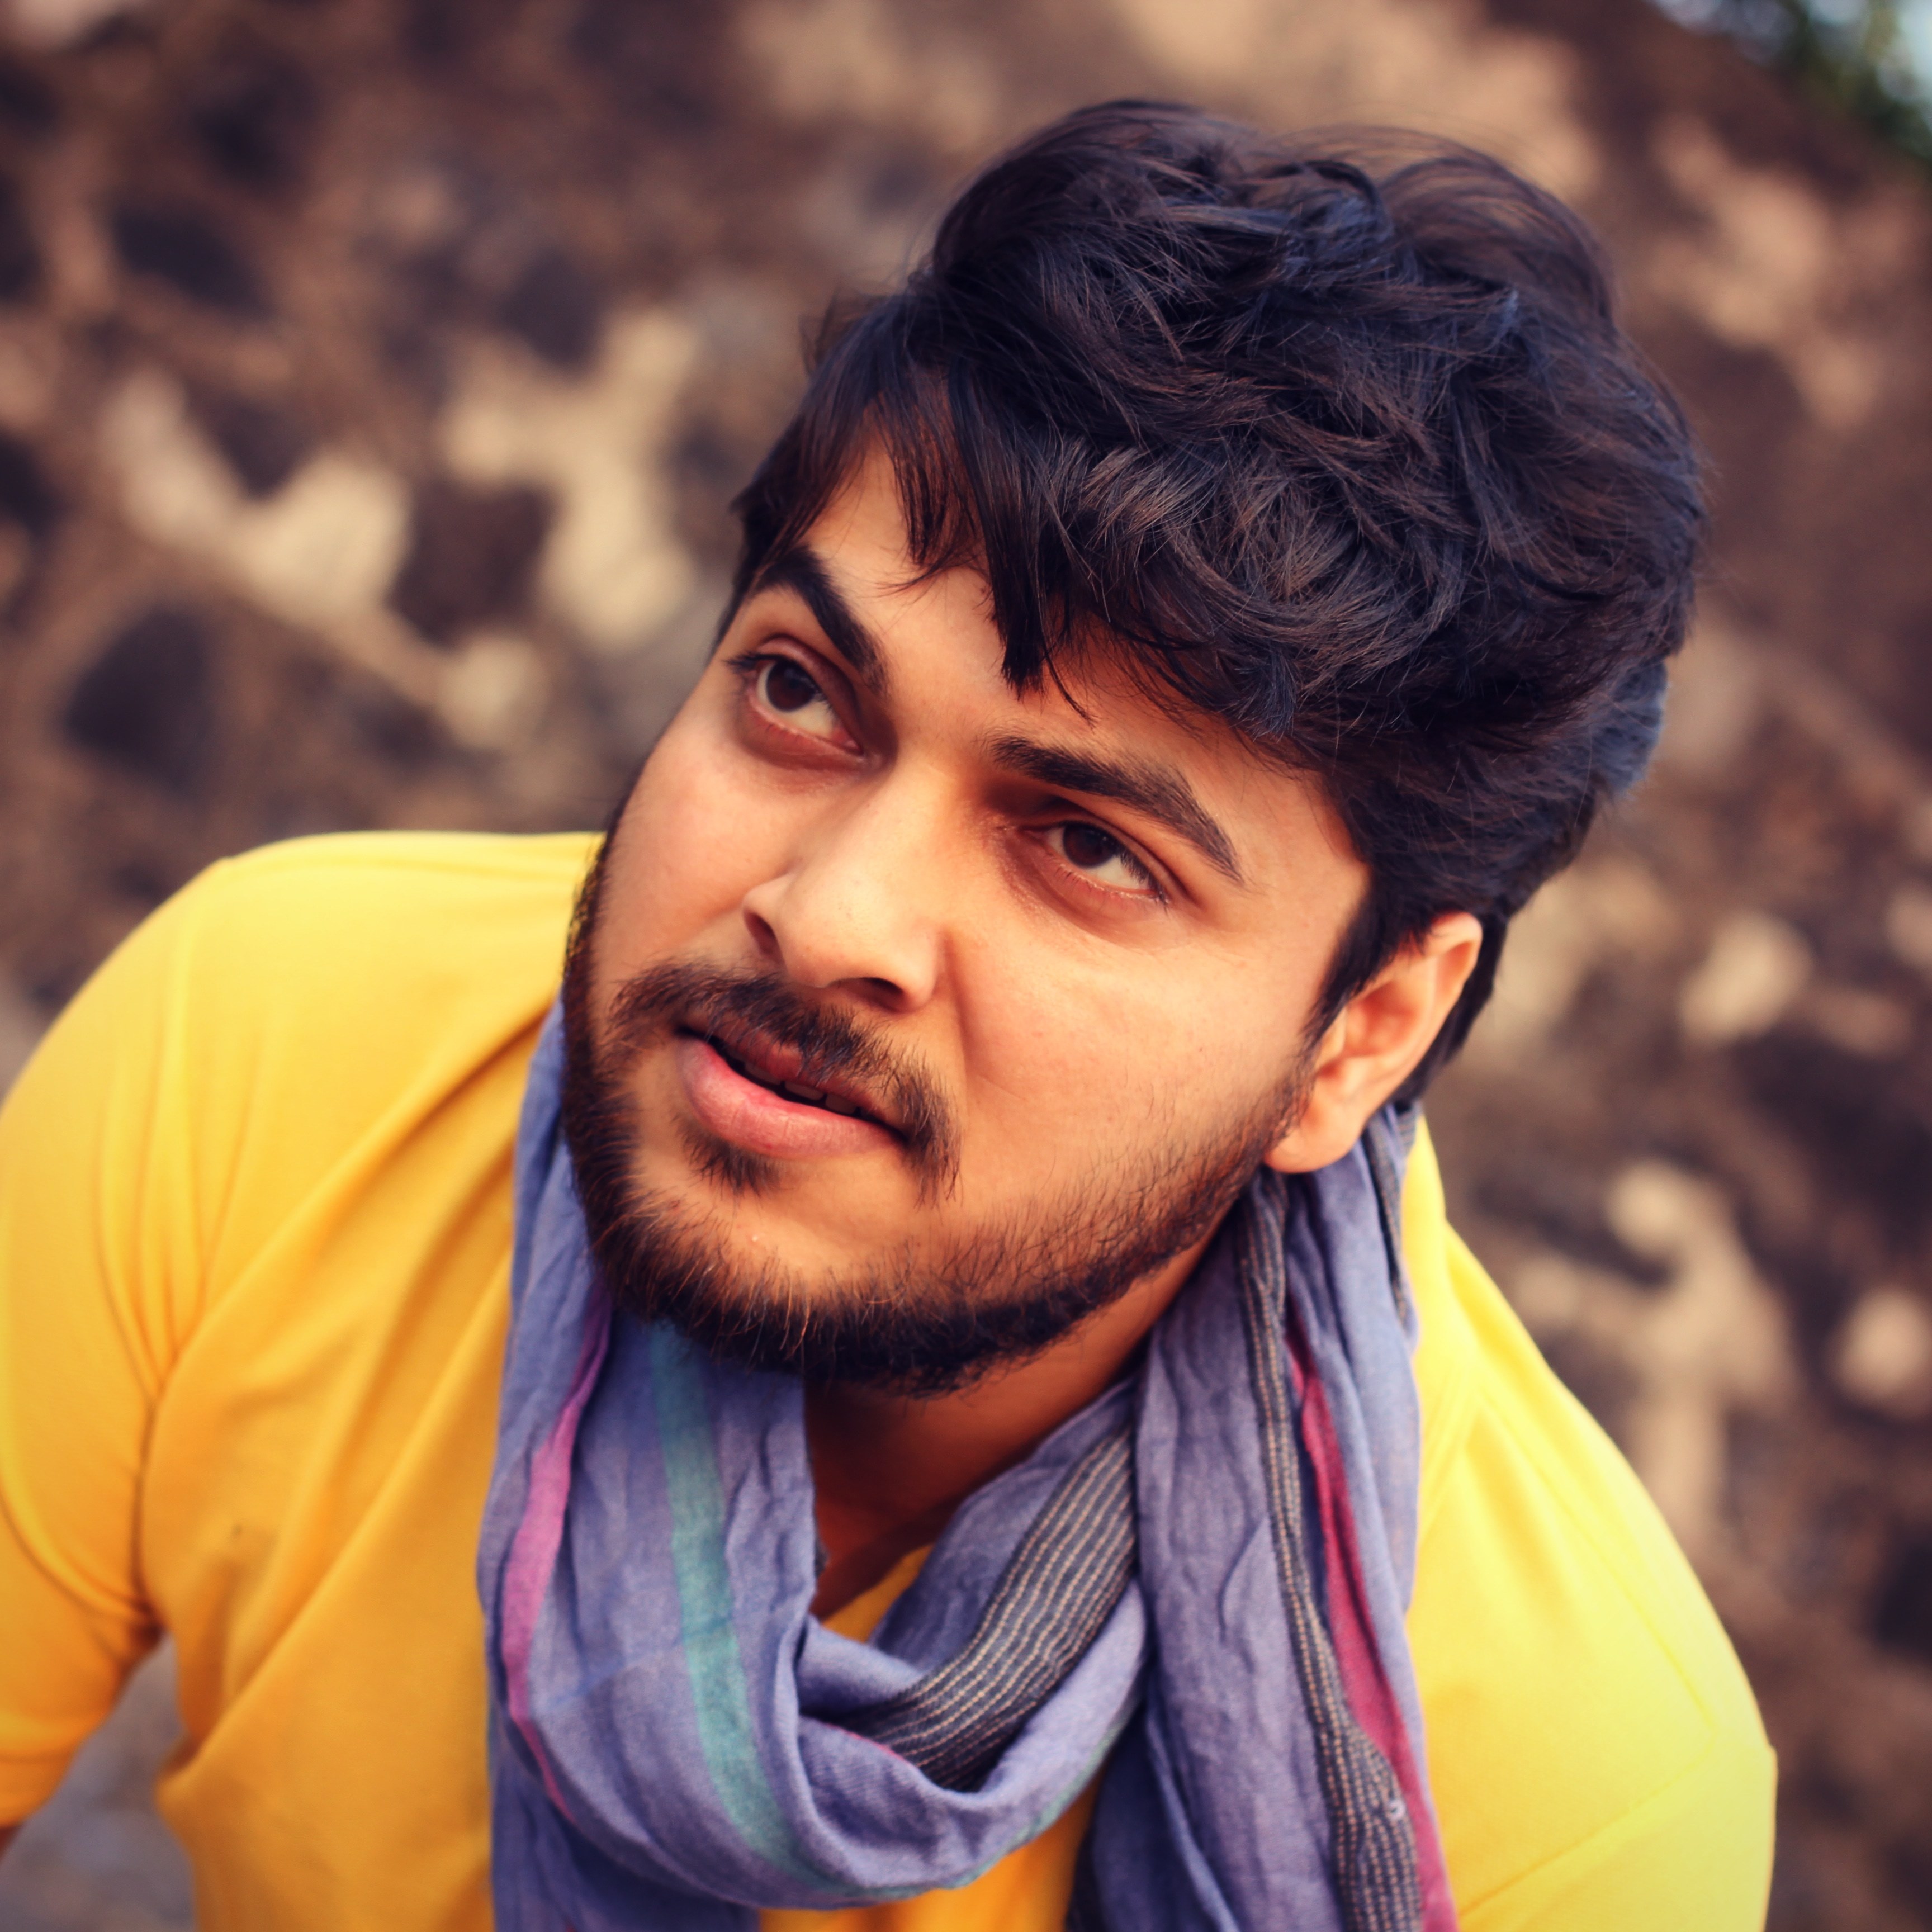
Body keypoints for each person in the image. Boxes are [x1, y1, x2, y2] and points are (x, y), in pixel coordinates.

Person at [0, 102, 1773, 1931]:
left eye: (1088, 846)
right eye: (800, 693)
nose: (830, 915)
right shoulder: (280, 1047)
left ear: (1364, 1038)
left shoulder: (1572, 1803)